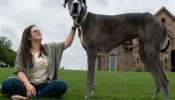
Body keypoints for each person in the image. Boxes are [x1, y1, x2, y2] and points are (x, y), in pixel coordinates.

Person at [1, 23, 77, 99]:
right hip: (28, 84)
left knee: (62, 85)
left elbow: (67, 43)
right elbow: (19, 71)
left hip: (44, 85)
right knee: (8, 83)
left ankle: (28, 97)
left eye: (39, 30)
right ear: (29, 37)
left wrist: (74, 27)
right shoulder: (23, 51)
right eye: (35, 31)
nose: (39, 32)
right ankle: (38, 95)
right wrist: (28, 85)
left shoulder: (49, 47)